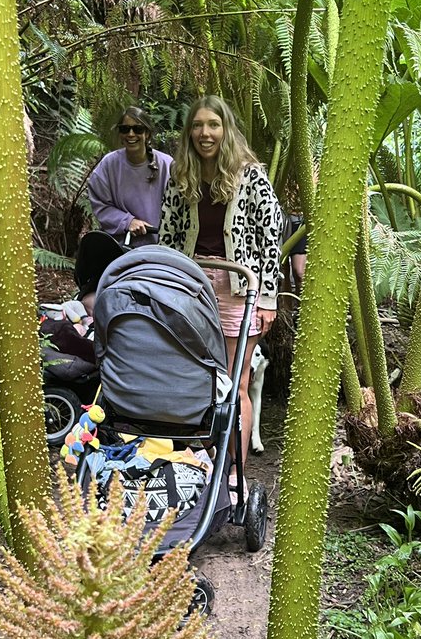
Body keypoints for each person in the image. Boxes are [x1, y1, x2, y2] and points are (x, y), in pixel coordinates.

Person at [159, 95, 283, 471]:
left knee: (235, 384)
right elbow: (167, 235)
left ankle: (233, 475)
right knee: (193, 378)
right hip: (191, 287)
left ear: (225, 130)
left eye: (213, 125)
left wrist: (267, 299)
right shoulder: (181, 176)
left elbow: (271, 233)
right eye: (197, 125)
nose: (204, 133)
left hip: (238, 290)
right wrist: (164, 283)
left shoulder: (249, 176)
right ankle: (195, 466)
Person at [87, 106, 173, 246]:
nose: (131, 134)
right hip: (120, 246)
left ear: (147, 134)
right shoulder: (109, 164)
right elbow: (100, 203)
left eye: (138, 129)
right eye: (125, 129)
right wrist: (127, 221)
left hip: (160, 246)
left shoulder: (166, 165)